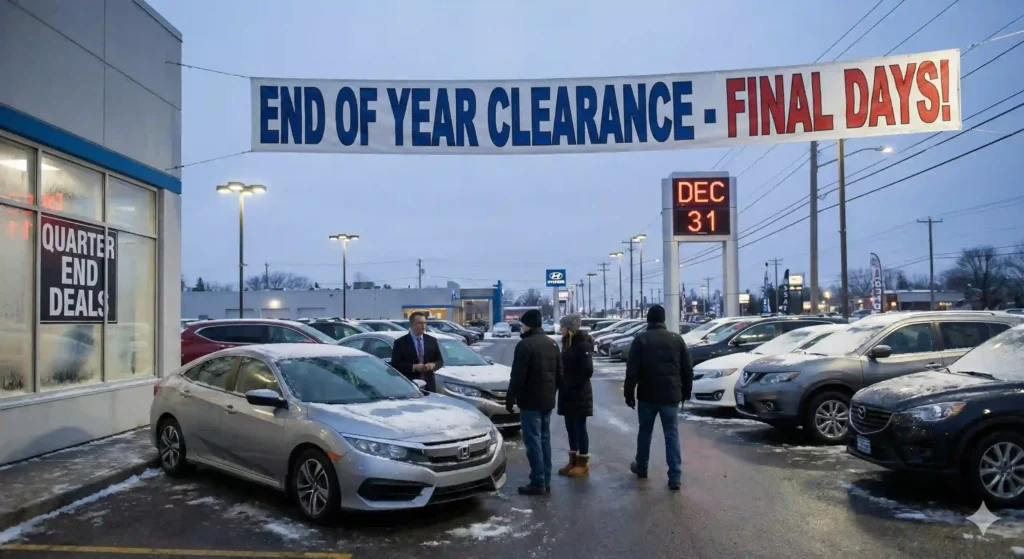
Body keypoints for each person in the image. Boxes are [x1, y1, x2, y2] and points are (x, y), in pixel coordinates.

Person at [624, 305, 693, 491]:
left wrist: (629, 393)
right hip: (671, 395)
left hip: (647, 394)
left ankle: (642, 467)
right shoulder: (676, 340)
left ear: (648, 319)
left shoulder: (640, 340)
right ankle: (675, 476)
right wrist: (686, 391)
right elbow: (687, 369)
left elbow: (632, 370)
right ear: (663, 320)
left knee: (645, 432)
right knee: (671, 434)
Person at [506, 309, 561, 496]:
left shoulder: (525, 345)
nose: (521, 326)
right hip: (547, 400)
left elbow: (518, 376)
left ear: (528, 324)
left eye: (523, 323)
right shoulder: (552, 344)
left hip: (530, 401)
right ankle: (545, 478)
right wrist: (551, 392)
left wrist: (511, 397)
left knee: (533, 442)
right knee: (545, 440)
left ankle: (538, 482)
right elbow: (559, 374)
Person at [555, 314, 594, 478]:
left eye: (563, 326)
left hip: (579, 393)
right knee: (570, 427)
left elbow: (587, 370)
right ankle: (572, 460)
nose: (560, 329)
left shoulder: (582, 344)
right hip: (567, 392)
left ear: (570, 328)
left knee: (579, 428)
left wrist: (572, 385)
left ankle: (582, 462)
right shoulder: (566, 343)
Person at [391, 312, 444, 392]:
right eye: (419, 323)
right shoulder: (400, 342)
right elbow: (395, 365)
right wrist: (413, 367)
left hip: (429, 386)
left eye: (424, 323)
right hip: (410, 385)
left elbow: (440, 361)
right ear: (412, 324)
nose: (423, 326)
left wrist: (433, 365)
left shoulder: (432, 341)